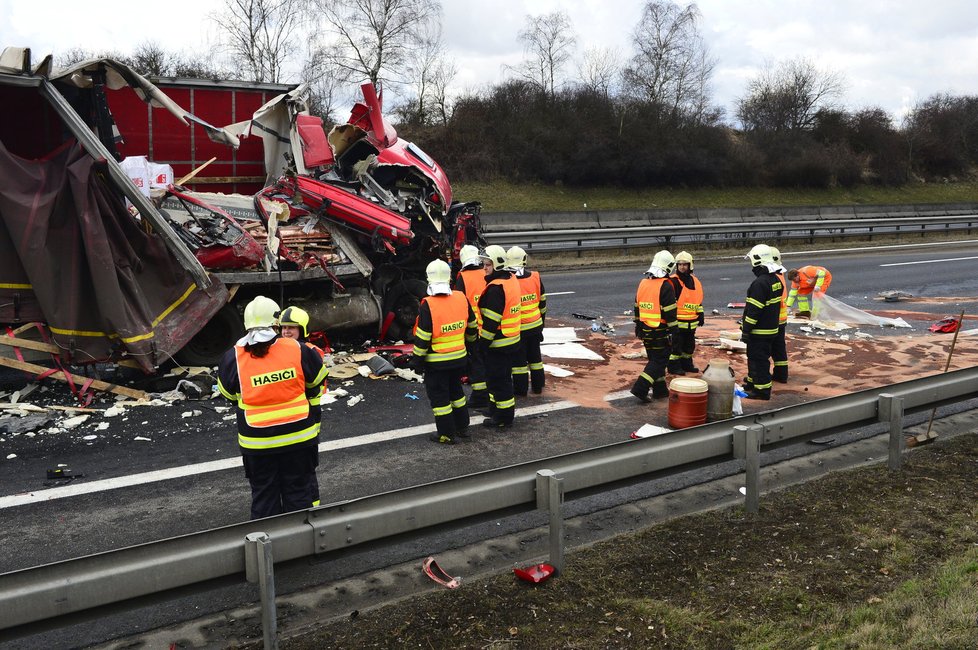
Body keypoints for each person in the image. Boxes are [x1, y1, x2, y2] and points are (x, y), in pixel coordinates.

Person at [218, 296, 328, 520]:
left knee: (264, 497)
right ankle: (303, 548)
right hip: (299, 438)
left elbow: (228, 395)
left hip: (257, 443)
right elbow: (317, 381)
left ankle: (268, 550)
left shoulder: (233, 357)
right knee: (299, 495)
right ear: (276, 323)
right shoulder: (298, 349)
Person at [411, 260, 478, 444]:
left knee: (440, 400)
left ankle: (447, 434)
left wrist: (416, 361)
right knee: (457, 394)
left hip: (436, 362)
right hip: (459, 359)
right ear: (449, 277)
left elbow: (423, 338)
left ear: (428, 279)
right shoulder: (461, 298)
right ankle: (463, 428)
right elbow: (472, 328)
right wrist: (471, 347)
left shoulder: (428, 305)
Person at [477, 244, 522, 428]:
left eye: (487, 265)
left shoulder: (496, 289)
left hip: (498, 343)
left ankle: (503, 418)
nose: (484, 269)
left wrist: (482, 345)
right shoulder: (510, 279)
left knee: (499, 381)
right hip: (510, 340)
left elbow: (491, 323)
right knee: (500, 379)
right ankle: (496, 411)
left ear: (496, 264)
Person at [631, 250, 678, 402]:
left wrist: (638, 325)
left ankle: (660, 390)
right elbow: (670, 313)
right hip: (660, 331)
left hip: (645, 329)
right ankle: (641, 387)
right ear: (669, 267)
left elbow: (637, 306)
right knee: (659, 361)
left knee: (653, 359)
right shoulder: (665, 286)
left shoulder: (643, 283)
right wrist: (674, 332)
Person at [741, 245, 784, 400]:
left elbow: (754, 310)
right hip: (770, 329)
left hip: (759, 331)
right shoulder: (775, 280)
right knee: (754, 358)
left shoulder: (760, 283)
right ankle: (753, 383)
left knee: (758, 360)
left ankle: (762, 390)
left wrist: (746, 329)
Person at [277, 305, 328, 427]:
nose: (286, 331)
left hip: (309, 403)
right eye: (284, 327)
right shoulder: (279, 349)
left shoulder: (310, 351)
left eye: (291, 328)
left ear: (302, 329)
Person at [507, 245, 547, 396]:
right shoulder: (535, 276)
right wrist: (542, 324)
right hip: (535, 325)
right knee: (535, 358)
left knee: (519, 362)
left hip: (519, 328)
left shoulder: (509, 281)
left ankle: (521, 389)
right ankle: (538, 386)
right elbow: (542, 303)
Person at [454, 244, 489, 409]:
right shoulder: (487, 272)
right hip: (491, 325)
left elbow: (459, 304)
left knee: (477, 363)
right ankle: (492, 392)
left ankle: (480, 396)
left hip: (474, 327)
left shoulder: (463, 277)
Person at [667, 251, 704, 375]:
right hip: (678, 322)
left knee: (689, 347)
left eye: (685, 264)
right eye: (680, 264)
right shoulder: (673, 281)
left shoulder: (695, 281)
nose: (682, 267)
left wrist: (701, 313)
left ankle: (687, 365)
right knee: (676, 347)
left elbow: (697, 300)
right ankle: (674, 367)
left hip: (691, 323)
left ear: (690, 265)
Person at [769, 247, 789, 383]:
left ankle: (762, 378)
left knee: (765, 349)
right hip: (781, 319)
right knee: (779, 349)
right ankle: (781, 375)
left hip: (773, 319)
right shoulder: (780, 274)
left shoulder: (773, 278)